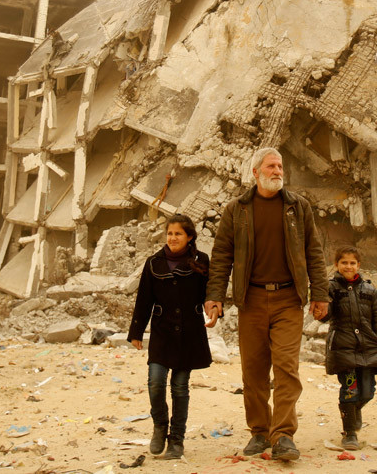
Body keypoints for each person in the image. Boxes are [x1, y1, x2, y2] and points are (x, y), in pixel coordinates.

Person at [204, 147, 328, 461]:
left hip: (289, 299)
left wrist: (321, 294)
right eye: (271, 167)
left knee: (287, 368)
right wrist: (215, 296)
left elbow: (314, 252)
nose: (278, 172)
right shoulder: (237, 209)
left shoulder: (298, 208)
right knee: (253, 372)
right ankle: (259, 432)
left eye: (280, 167)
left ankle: (283, 435)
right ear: (256, 172)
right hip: (252, 300)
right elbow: (221, 256)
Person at [127, 213, 212, 460]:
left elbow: (212, 291)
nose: (173, 238)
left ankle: (176, 440)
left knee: (180, 388)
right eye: (170, 233)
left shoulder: (201, 261)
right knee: (155, 381)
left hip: (190, 334)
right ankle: (159, 426)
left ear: (189, 237)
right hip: (163, 332)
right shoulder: (153, 262)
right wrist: (136, 332)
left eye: (178, 234)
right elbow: (143, 299)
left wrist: (215, 308)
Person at [322, 247, 377, 450]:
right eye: (344, 263)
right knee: (350, 390)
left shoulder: (369, 290)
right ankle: (349, 432)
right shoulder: (330, 288)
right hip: (344, 349)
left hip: (368, 348)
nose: (348, 266)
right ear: (337, 265)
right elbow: (325, 314)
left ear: (359, 265)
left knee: (367, 392)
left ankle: (354, 412)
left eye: (352, 263)